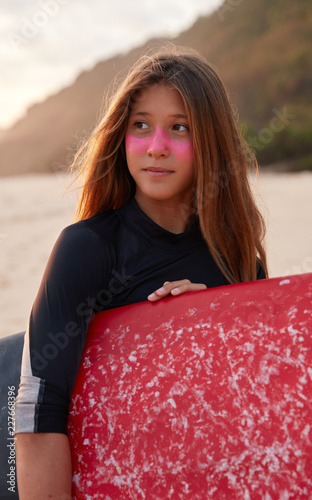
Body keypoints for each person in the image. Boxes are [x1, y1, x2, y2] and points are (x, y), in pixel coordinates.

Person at [15, 44, 268, 499]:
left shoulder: (241, 260)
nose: (156, 146)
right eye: (141, 126)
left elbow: (258, 402)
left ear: (211, 140)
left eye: (180, 128)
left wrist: (212, 318)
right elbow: (38, 410)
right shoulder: (89, 248)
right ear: (122, 136)